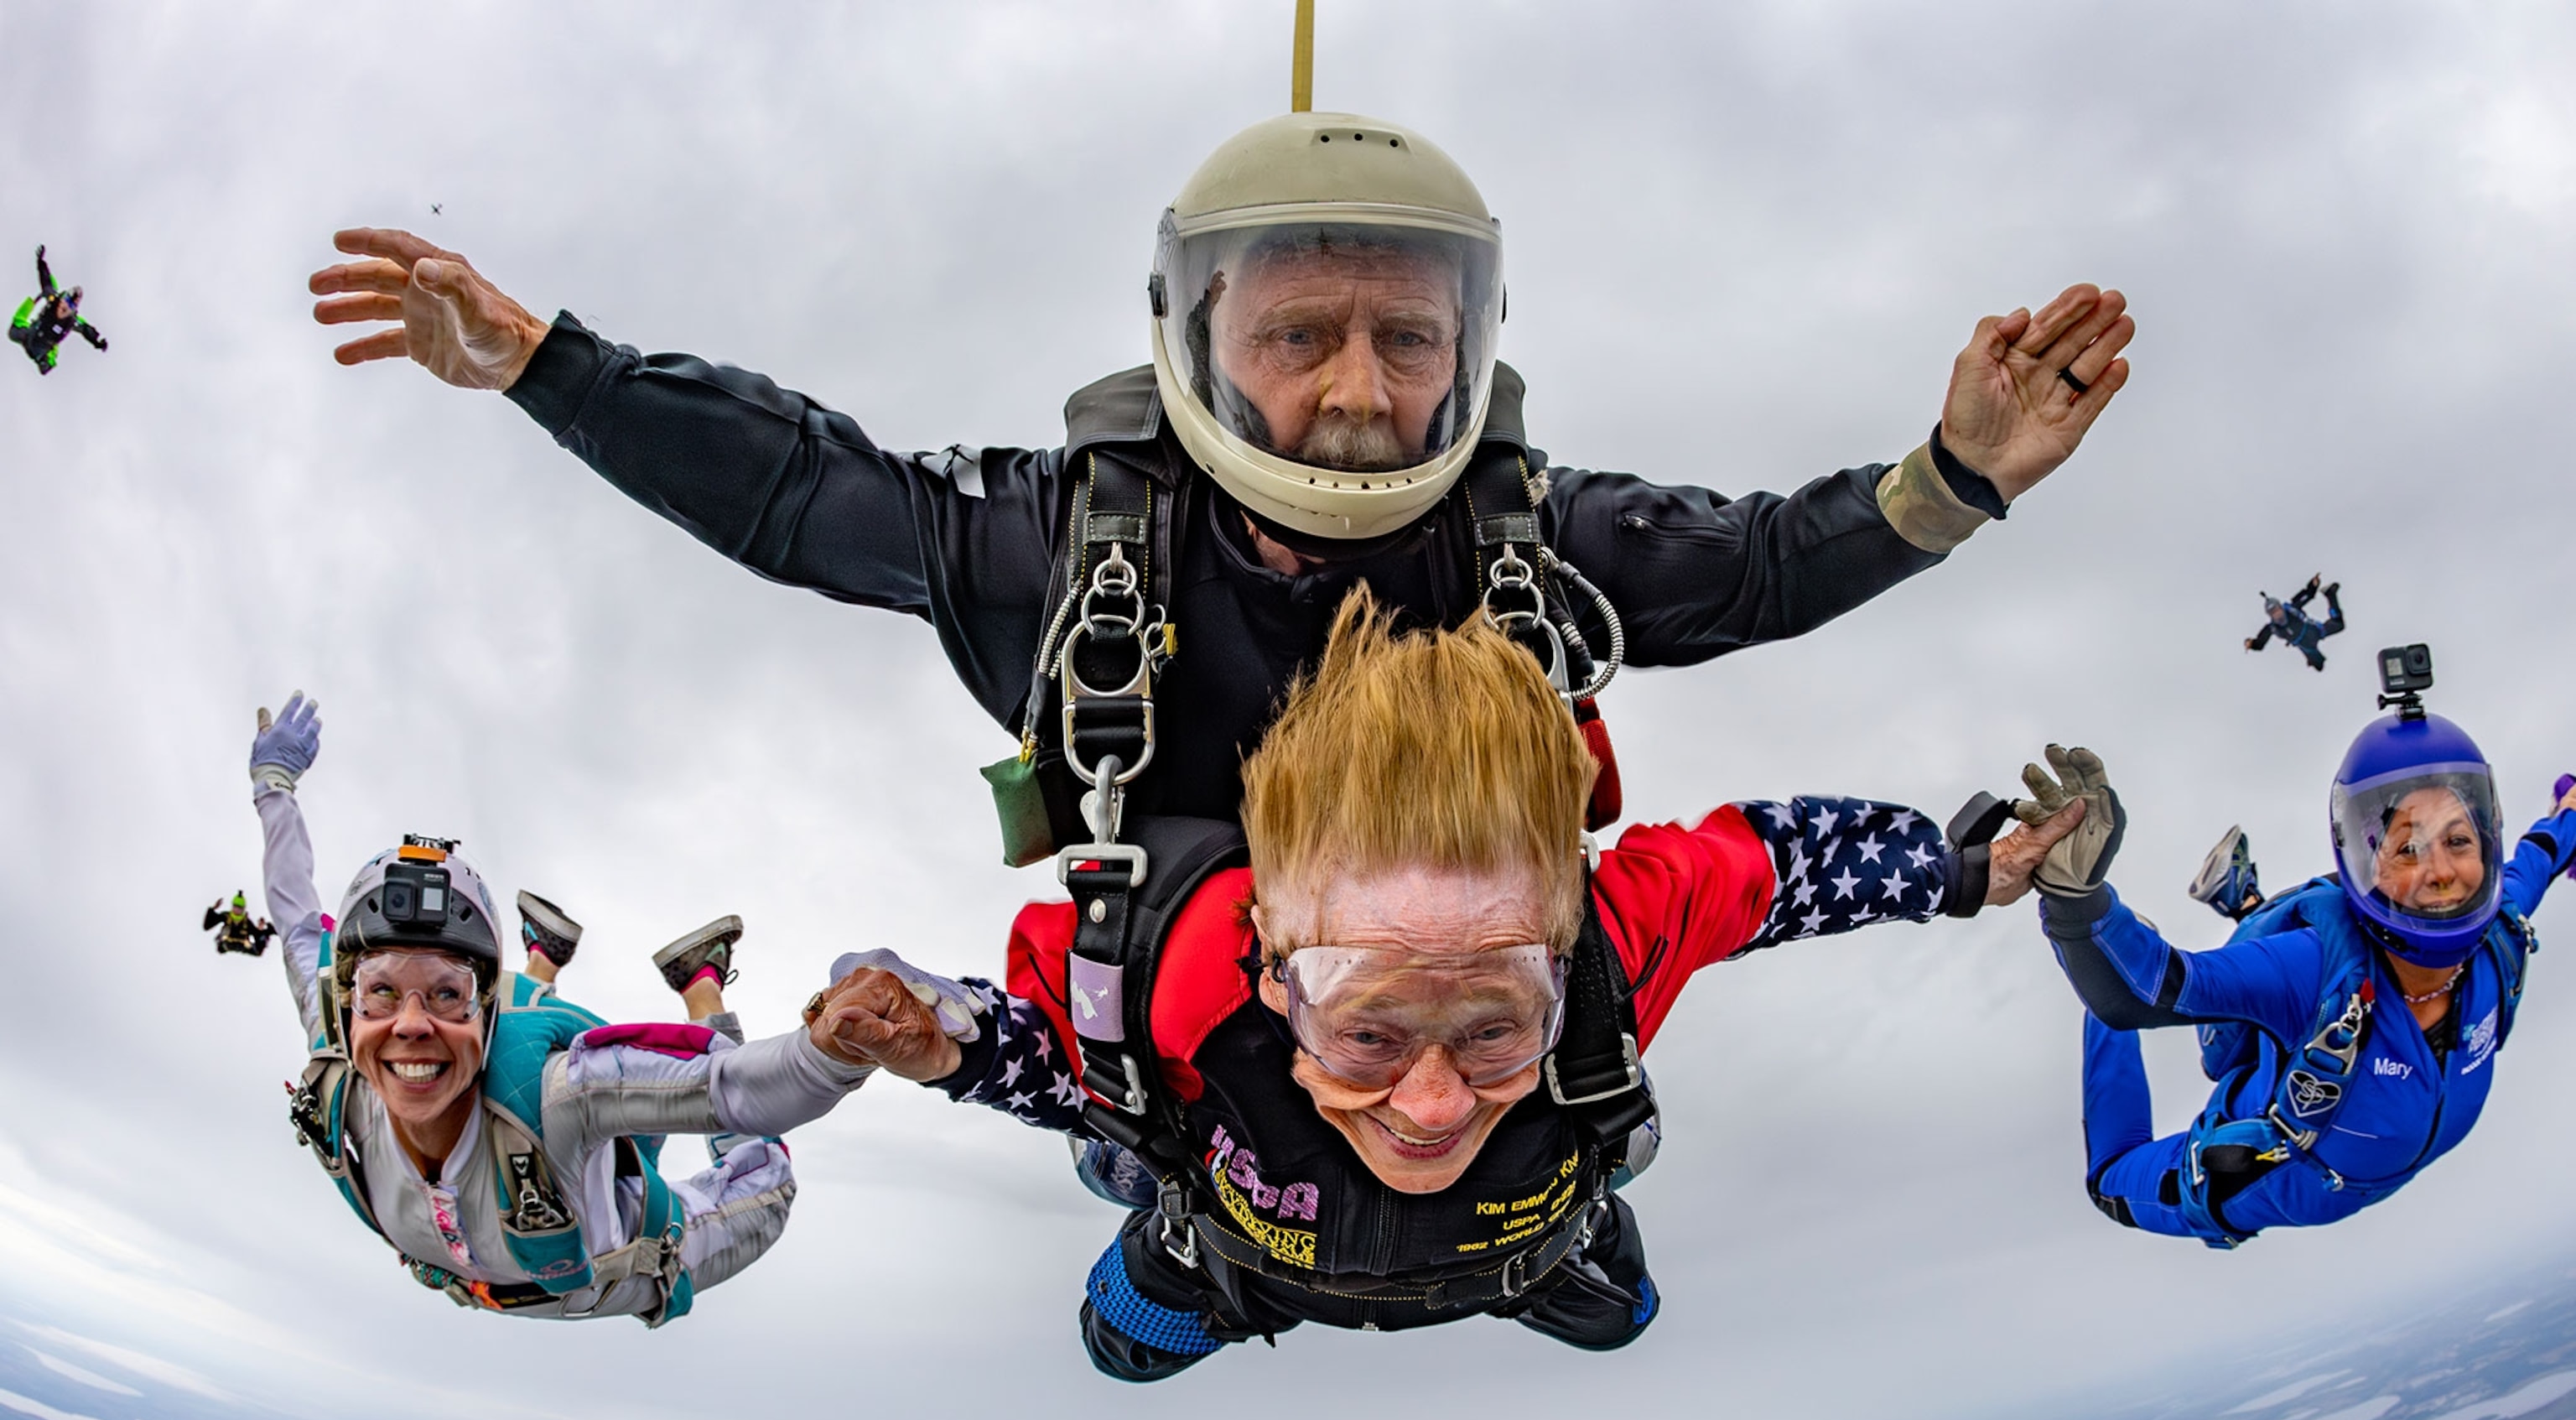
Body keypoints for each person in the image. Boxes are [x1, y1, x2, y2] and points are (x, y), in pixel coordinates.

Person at [309, 108, 2132, 858]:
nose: (1357, 387)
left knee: (1553, 1110)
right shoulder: (1069, 535)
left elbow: (1751, 568)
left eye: (1410, 340)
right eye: (1301, 330)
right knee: (1162, 1089)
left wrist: (1959, 472)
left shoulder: (1524, 534)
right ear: (1192, 333)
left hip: (1466, 1009)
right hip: (1195, 1015)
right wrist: (556, 369)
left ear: (1474, 345)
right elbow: (805, 493)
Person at [809, 593, 2086, 1380]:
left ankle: (1558, 1217)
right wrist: (949, 1044)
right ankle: (1176, 1211)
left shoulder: (1607, 936)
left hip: (1508, 1248)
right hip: (1247, 1260)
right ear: (1267, 962)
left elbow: (1781, 863)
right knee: (1121, 1338)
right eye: (1367, 1029)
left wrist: (1977, 870)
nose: (1429, 1105)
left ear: (1560, 944)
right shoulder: (1173, 974)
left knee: (1622, 1316)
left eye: (1492, 1025)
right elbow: (1071, 1061)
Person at [246, 692, 894, 1324]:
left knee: (766, 1186)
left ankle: (700, 984)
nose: (410, 1023)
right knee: (471, 1052)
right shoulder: (337, 1042)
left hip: (626, 1258)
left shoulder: (567, 1095)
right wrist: (273, 788)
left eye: (448, 992)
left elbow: (732, 1086)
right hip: (509, 1246)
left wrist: (835, 1050)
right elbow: (298, 921)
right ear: (348, 1002)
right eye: (382, 989)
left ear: (484, 1008)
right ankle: (542, 960)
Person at [2023, 690, 2576, 1248]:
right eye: (2407, 848)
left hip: (2322, 1095)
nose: (2440, 870)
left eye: (2458, 839)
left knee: (2273, 984)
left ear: (2486, 845)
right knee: (2112, 1182)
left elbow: (2546, 846)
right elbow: (2143, 991)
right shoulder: (2313, 971)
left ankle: (2244, 902)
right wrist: (2078, 903)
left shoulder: (2500, 929)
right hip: (2253, 1176)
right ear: (2367, 867)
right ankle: (2162, 946)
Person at [9, 247, 107, 376]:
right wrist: (41, 262)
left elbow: (87, 330)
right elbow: (47, 282)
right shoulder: (53, 299)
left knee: (46, 368)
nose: (65, 306)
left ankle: (47, 359)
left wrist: (97, 342)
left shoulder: (73, 321)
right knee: (13, 332)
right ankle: (29, 328)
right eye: (66, 300)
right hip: (31, 335)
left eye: (71, 305)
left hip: (43, 349)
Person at [2245, 573, 2344, 671]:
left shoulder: (2292, 608)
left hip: (2313, 631)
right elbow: (2260, 643)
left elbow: (2308, 594)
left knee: (2339, 624)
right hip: (2306, 646)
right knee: (2319, 666)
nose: (2277, 614)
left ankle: (2330, 593)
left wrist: (2313, 584)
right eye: (2273, 613)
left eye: (2277, 610)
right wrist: (2251, 644)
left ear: (2281, 607)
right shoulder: (2271, 628)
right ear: (2270, 615)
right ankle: (2316, 662)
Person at [205, 892, 276, 958]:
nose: (237, 910)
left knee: (258, 949)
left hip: (242, 945)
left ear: (243, 909)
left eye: (239, 908)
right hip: (226, 944)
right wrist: (213, 908)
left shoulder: (247, 922)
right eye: (235, 907)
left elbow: (257, 935)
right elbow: (207, 926)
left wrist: (260, 928)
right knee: (226, 930)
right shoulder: (226, 916)